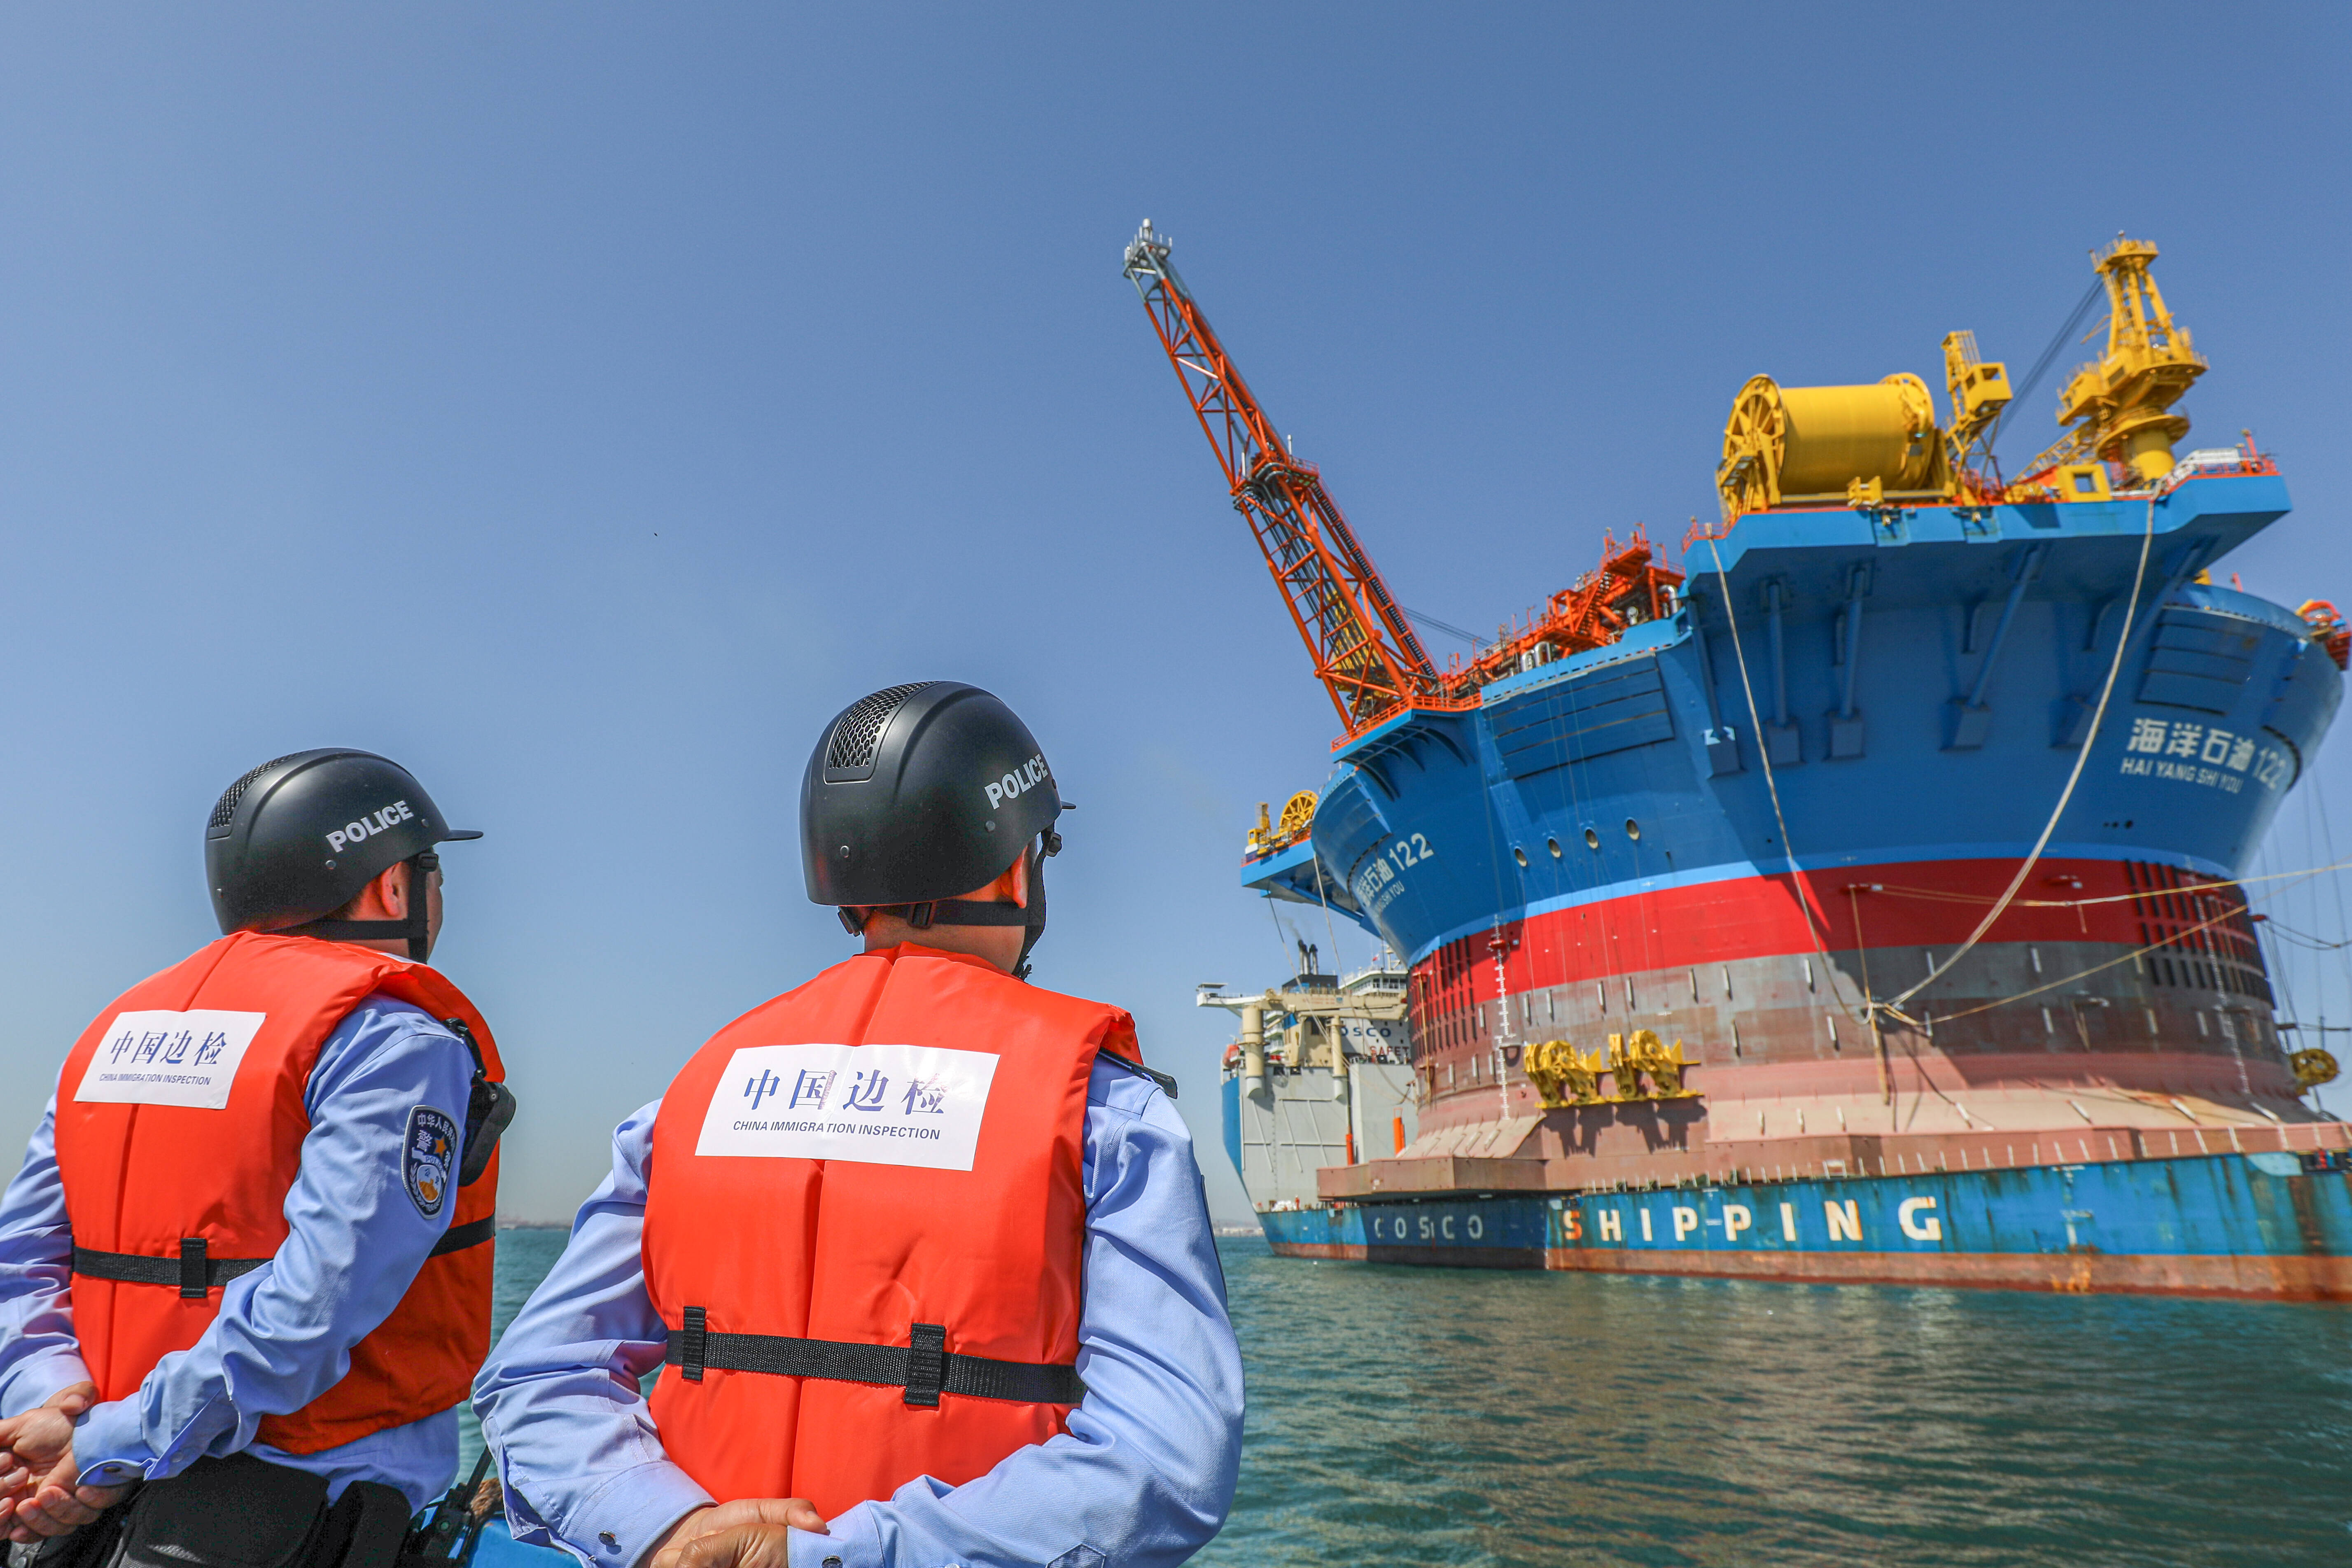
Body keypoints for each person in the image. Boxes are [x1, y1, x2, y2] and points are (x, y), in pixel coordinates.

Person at [474, 682, 1242, 1568]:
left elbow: (534, 1375)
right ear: (1014, 870)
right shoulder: (1106, 1109)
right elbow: (1168, 1456)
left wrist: (664, 1526)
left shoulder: (693, 1096)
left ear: (841, 884)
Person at [0, 749, 511, 1556]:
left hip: (76, 1481)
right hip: (290, 1509)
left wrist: (55, 1403)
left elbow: (21, 1258)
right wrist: (107, 1444)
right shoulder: (396, 1040)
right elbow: (319, 1298)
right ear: (391, 886)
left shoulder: (117, 1033)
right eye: (432, 867)